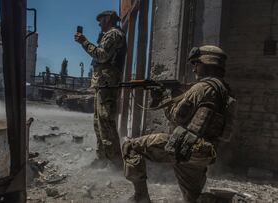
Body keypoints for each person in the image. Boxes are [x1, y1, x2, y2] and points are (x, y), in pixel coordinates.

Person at [122, 45, 232, 203]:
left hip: (187, 149)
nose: (193, 68)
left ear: (207, 62)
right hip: (206, 152)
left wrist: (163, 99)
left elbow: (177, 117)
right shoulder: (225, 91)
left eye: (196, 63)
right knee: (192, 199)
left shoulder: (201, 88)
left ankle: (141, 198)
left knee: (131, 146)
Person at [74, 10, 126, 169]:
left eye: (101, 19)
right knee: (99, 123)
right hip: (102, 84)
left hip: (107, 83)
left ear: (108, 18)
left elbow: (102, 56)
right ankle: (102, 159)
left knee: (106, 123)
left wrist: (84, 41)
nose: (98, 23)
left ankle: (115, 163)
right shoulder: (108, 35)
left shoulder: (114, 34)